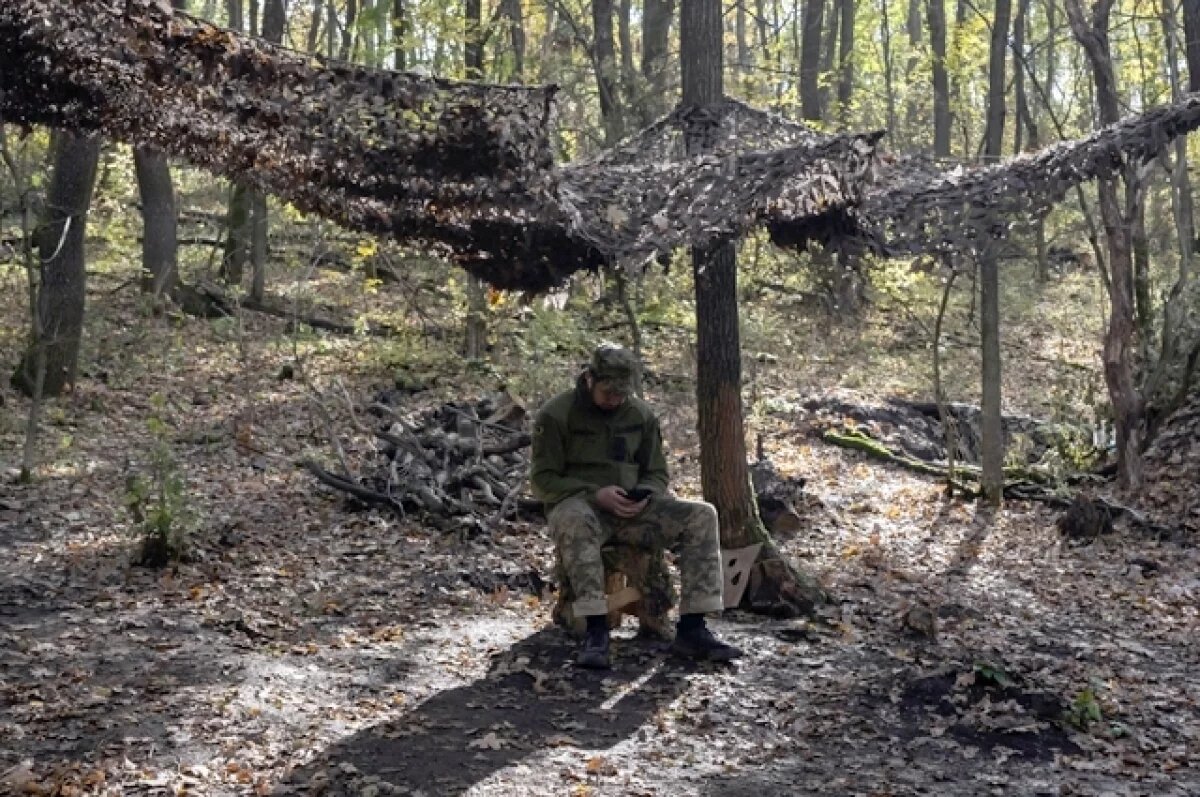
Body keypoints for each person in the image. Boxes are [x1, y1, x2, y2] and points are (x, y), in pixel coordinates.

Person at [530, 343, 743, 669]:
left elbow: (657, 472)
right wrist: (594, 494)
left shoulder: (640, 415)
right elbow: (543, 481)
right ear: (589, 379)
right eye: (608, 393)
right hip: (581, 509)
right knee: (575, 519)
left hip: (632, 511)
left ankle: (693, 628)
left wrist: (645, 493)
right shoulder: (557, 414)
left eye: (621, 394)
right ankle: (595, 630)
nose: (614, 400)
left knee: (702, 515)